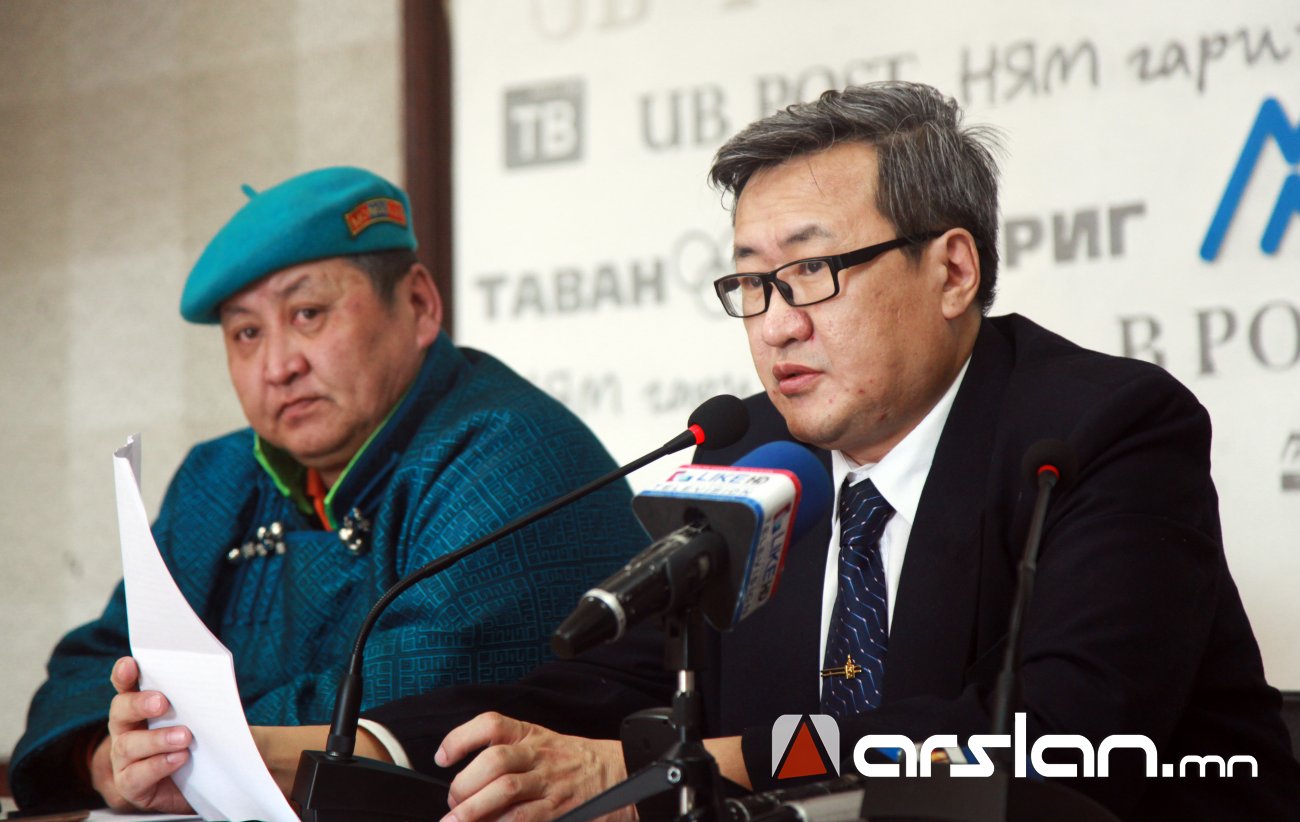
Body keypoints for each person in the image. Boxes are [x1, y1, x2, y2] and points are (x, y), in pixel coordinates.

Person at [82, 87, 1300, 820]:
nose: (775, 321)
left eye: (811, 272)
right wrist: (305, 752)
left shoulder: (1103, 431)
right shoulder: (754, 455)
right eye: (750, 283)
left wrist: (676, 774)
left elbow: (1053, 737)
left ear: (951, 269)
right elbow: (599, 692)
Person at [8, 166, 650, 812]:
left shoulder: (508, 449)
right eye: (247, 333)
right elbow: (90, 664)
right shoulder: (218, 477)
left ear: (419, 304)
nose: (278, 366)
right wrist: (108, 756)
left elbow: (414, 702)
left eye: (308, 314)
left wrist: (175, 744)